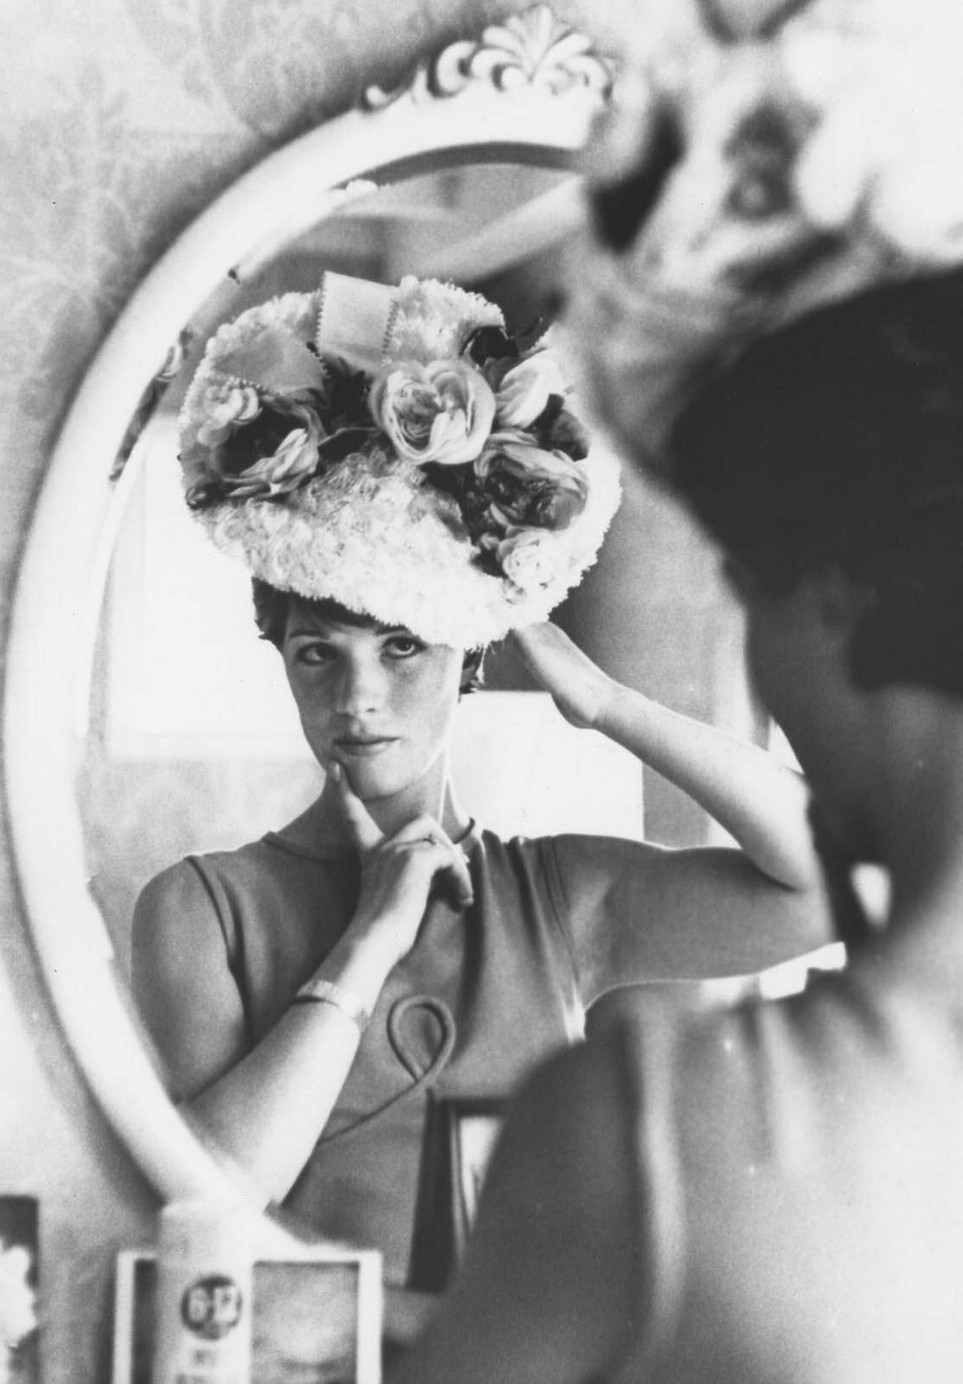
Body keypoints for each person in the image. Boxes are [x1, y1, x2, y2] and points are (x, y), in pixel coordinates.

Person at [390, 8, 963, 1380]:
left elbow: (791, 880)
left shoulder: (656, 1129)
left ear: (828, 598)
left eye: (745, 587)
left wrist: (597, 701)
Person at [131, 268, 828, 1291]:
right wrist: (369, 942)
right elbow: (212, 1201)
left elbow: (834, 881)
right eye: (317, 654)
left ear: (470, 653)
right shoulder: (201, 909)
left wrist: (604, 703)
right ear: (279, 656)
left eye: (403, 647)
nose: (359, 698)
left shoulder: (560, 900)